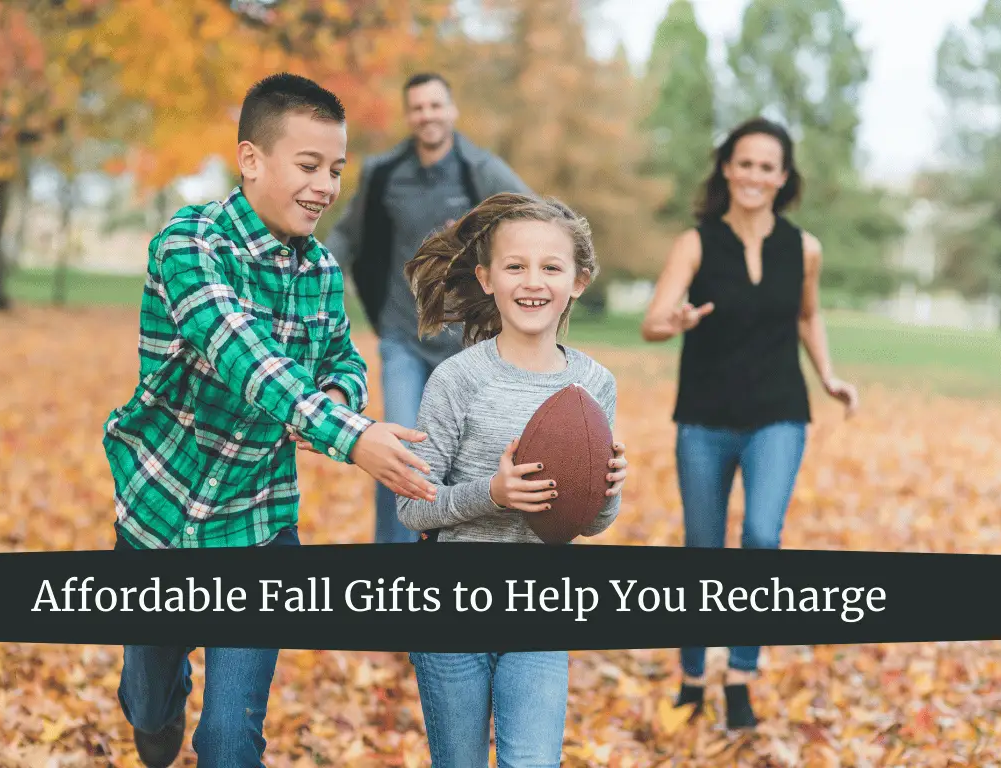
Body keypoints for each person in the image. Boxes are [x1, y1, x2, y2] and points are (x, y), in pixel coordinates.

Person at [101, 73, 437, 768]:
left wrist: (335, 402)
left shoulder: (317, 268)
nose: (324, 186)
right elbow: (242, 353)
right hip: (159, 516)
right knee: (149, 706)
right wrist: (353, 436)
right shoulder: (189, 245)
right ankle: (156, 709)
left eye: (336, 169)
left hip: (258, 524)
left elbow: (342, 359)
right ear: (252, 159)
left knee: (229, 740)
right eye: (308, 165)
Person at [639, 117, 860, 731]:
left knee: (762, 538)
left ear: (783, 177)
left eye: (768, 166)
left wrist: (829, 376)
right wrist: (676, 321)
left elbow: (807, 317)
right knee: (702, 551)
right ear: (727, 169)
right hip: (705, 418)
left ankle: (740, 675)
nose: (755, 175)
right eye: (745, 163)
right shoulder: (696, 242)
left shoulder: (804, 247)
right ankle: (691, 678)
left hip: (780, 414)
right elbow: (652, 322)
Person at [395, 192, 629, 766]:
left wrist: (608, 489)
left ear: (578, 281)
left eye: (552, 267)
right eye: (515, 266)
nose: (533, 281)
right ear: (486, 278)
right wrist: (491, 495)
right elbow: (413, 508)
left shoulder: (593, 385)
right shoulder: (458, 379)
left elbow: (590, 523)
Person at [326, 72, 533, 544]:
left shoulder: (480, 171)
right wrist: (314, 273)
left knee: (470, 459)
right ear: (408, 116)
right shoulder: (385, 173)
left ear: (452, 110)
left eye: (435, 106)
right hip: (404, 336)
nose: (427, 115)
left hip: (469, 344)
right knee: (400, 449)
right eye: (418, 108)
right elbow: (347, 235)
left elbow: (536, 217)